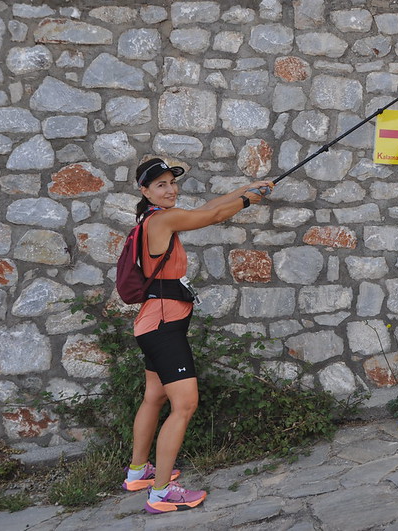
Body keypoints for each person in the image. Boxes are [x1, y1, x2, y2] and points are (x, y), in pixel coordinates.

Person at [122, 157, 274, 513]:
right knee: (184, 404)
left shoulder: (154, 216)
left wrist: (248, 189)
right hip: (163, 327)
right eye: (161, 185)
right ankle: (160, 493)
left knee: (154, 397)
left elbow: (207, 207)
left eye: (172, 183)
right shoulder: (163, 218)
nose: (170, 189)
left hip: (153, 323)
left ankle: (138, 472)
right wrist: (249, 201)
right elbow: (213, 217)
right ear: (145, 191)